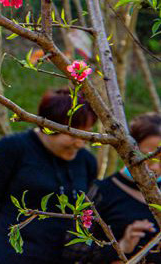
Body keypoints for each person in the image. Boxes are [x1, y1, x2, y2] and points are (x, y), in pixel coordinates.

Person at [0, 87, 99, 263]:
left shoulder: (87, 162)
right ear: (49, 127)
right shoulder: (11, 149)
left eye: (85, 135)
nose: (79, 143)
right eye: (73, 134)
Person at [69, 112, 161, 263]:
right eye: (146, 157)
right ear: (128, 151)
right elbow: (73, 252)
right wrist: (122, 246)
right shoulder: (101, 192)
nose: (155, 167)